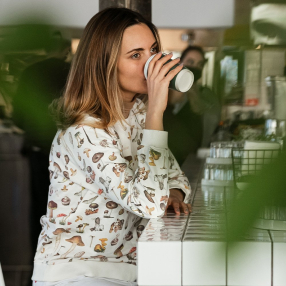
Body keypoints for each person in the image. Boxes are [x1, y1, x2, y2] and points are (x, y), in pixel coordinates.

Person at [31, 8, 191, 286]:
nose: (151, 63)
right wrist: (157, 111)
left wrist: (174, 193)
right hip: (78, 272)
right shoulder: (84, 129)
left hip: (129, 268)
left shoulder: (138, 114)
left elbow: (176, 178)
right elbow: (149, 204)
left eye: (153, 50)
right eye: (136, 55)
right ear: (103, 63)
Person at [13, 30, 71, 253]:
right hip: (68, 153)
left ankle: (37, 265)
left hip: (38, 150)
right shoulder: (73, 73)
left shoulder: (31, 71)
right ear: (67, 50)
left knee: (40, 209)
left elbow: (18, 115)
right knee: (64, 209)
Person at [163, 46, 221, 165]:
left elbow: (211, 124)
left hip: (190, 163)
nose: (195, 67)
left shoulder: (204, 95)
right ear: (180, 63)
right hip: (163, 161)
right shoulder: (163, 90)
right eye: (190, 62)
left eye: (199, 64)